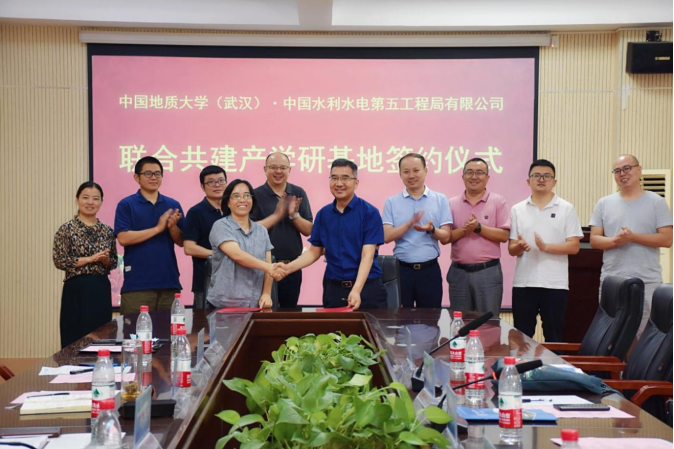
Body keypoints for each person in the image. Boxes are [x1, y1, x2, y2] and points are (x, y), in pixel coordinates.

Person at [276, 159, 387, 310]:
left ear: (356, 182)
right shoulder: (323, 214)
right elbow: (314, 252)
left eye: (345, 178)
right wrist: (287, 269)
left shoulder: (370, 213)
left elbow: (367, 255)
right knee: (332, 327)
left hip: (367, 289)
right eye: (334, 178)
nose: (339, 183)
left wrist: (356, 289)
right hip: (334, 289)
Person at [590, 154, 673, 338]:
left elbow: (667, 239)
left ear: (639, 170)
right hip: (612, 280)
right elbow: (595, 240)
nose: (622, 174)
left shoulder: (656, 202)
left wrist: (633, 237)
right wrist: (616, 241)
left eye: (627, 168)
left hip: (647, 280)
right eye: (617, 171)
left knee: (645, 336)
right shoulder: (604, 203)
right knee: (611, 336)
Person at [508, 160, 583, 342]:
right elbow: (512, 249)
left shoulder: (566, 208)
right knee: (521, 339)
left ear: (554, 182)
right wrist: (520, 246)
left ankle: (553, 363)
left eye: (546, 176)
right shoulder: (517, 209)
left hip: (555, 284)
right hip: (524, 283)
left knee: (554, 337)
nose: (541, 179)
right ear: (528, 181)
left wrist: (545, 247)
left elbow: (574, 246)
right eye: (536, 176)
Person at [114, 156, 184, 315]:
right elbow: (123, 238)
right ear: (136, 177)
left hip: (169, 283)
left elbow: (181, 241)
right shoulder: (127, 204)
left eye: (157, 174)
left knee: (169, 330)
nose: (154, 177)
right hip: (137, 285)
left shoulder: (172, 205)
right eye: (148, 173)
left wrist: (172, 228)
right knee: (136, 330)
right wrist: (158, 228)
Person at [53, 182, 118, 348]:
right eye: (85, 198)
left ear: (101, 202)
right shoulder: (66, 229)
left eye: (95, 198)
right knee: (74, 336)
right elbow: (60, 260)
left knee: (101, 336)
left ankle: (101, 364)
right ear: (77, 200)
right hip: (76, 289)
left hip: (100, 288)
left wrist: (105, 260)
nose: (90, 202)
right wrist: (90, 259)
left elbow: (113, 262)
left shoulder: (107, 231)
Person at [382, 153, 452, 308]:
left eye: (416, 170)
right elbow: (386, 236)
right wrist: (409, 224)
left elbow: (446, 237)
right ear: (400, 174)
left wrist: (431, 229)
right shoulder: (392, 202)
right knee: (400, 319)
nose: (411, 175)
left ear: (425, 170)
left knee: (431, 318)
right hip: (401, 271)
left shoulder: (440, 199)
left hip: (429, 270)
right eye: (406, 172)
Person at [447, 157, 510, 317]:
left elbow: (504, 235)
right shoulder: (452, 203)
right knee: (459, 323)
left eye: (479, 172)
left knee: (489, 323)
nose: (474, 176)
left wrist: (479, 228)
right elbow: (446, 238)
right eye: (469, 172)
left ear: (487, 177)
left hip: (488, 272)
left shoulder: (498, 201)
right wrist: (465, 230)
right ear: (463, 177)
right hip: (459, 273)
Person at [250, 152, 313, 308]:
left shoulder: (298, 193)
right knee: (263, 312)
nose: (278, 171)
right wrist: (278, 215)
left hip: (291, 267)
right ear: (265, 169)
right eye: (273, 167)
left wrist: (294, 215)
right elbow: (250, 231)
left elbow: (308, 230)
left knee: (289, 314)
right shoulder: (254, 195)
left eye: (283, 168)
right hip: (263, 266)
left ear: (289, 170)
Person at [207, 179, 274, 309]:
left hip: (255, 303)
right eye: (236, 196)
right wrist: (270, 267)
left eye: (247, 195)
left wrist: (266, 293)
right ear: (228, 202)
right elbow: (238, 256)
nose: (243, 200)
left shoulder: (262, 231)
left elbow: (268, 263)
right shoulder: (221, 226)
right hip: (224, 304)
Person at [183, 166, 227, 309]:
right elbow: (189, 248)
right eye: (211, 182)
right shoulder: (196, 212)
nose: (217, 185)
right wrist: (222, 255)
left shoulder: (232, 211)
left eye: (221, 180)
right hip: (206, 281)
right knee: (205, 321)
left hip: (233, 282)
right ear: (203, 186)